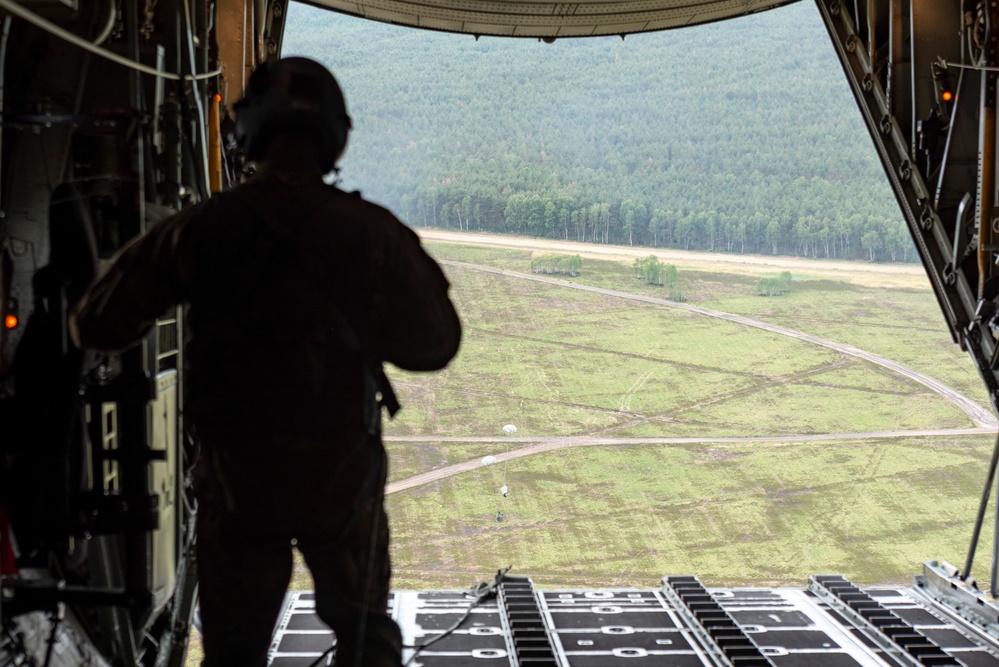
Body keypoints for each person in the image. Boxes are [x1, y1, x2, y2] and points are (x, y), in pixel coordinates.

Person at [69, 57, 461, 667]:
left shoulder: (202, 229)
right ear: (334, 136)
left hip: (237, 479)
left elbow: (97, 322)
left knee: (233, 649)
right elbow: (435, 346)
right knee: (364, 634)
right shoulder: (371, 234)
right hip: (342, 477)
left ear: (249, 131)